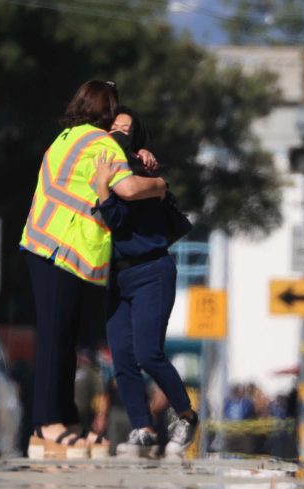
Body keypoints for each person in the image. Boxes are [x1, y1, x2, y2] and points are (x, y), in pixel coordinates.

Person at [20, 80, 168, 459]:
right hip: (61, 249)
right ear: (106, 110)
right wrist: (160, 185)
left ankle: (64, 421)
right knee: (56, 339)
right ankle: (46, 425)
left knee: (64, 341)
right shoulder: (100, 144)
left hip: (46, 245)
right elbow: (130, 189)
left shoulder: (67, 137)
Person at [90, 108, 199, 458]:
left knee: (148, 353)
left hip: (152, 270)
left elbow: (120, 218)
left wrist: (105, 190)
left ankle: (185, 415)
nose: (117, 134)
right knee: (121, 356)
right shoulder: (99, 168)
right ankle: (143, 429)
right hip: (117, 276)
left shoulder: (141, 176)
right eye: (112, 127)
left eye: (126, 129)